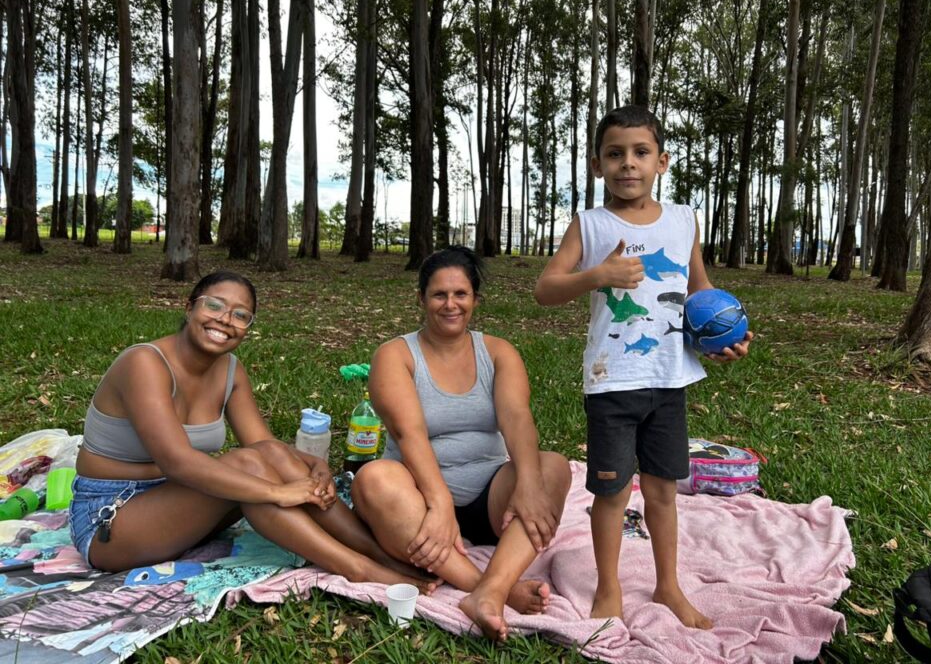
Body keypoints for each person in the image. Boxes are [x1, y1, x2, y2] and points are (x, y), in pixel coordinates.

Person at [70, 270, 433, 593]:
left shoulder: (230, 369)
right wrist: (279, 491)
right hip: (111, 517)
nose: (225, 320)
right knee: (248, 466)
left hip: (179, 502)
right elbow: (178, 461)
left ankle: (376, 552)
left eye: (240, 315)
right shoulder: (145, 363)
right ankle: (357, 567)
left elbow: (264, 445)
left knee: (266, 456)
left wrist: (313, 465)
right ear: (189, 307)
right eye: (214, 306)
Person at [534, 104, 753, 629]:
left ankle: (667, 586)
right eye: (615, 154)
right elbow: (545, 290)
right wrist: (598, 273)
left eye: (640, 153)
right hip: (613, 381)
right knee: (610, 492)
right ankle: (608, 589)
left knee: (662, 490)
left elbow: (699, 286)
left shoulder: (683, 220)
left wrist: (727, 333)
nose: (627, 164)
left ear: (662, 161)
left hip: (670, 378)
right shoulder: (589, 224)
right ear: (597, 164)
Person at [351, 247, 571, 642]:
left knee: (551, 466)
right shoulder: (395, 355)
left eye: (460, 294)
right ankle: (487, 588)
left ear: (475, 300)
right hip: (417, 500)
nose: (450, 304)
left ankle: (493, 589)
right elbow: (408, 433)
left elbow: (517, 418)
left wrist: (528, 484)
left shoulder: (498, 352)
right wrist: (438, 503)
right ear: (420, 299)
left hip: (489, 499)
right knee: (374, 479)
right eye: (439, 295)